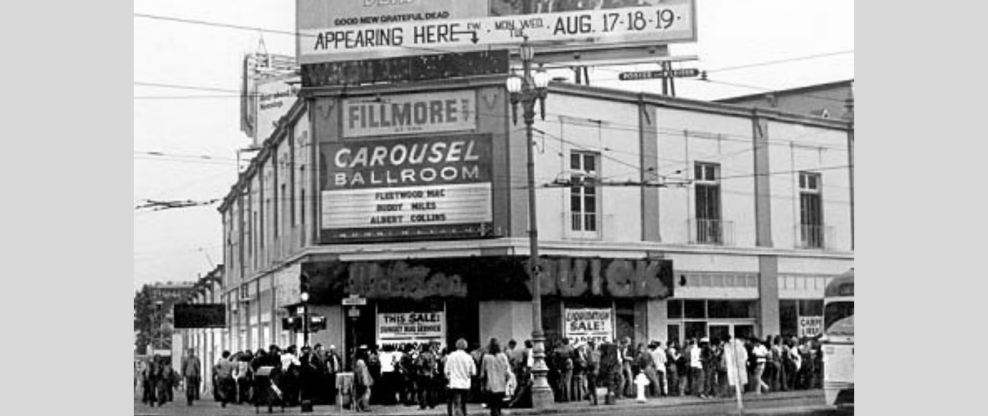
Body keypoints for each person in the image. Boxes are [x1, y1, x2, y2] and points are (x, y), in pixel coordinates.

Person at [480, 338, 512, 416]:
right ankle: (498, 412)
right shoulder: (503, 356)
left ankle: (494, 412)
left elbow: (483, 371)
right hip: (501, 382)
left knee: (492, 402)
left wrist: (482, 381)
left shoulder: (486, 357)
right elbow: (507, 369)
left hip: (490, 383)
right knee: (499, 401)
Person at [445, 338, 477, 416]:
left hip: (454, 383)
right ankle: (463, 413)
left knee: (457, 402)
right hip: (465, 383)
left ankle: (459, 413)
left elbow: (446, 371)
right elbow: (473, 372)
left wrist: (449, 378)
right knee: (463, 402)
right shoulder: (468, 357)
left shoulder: (451, 356)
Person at [416, 342, 440, 409]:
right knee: (430, 390)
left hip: (421, 375)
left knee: (421, 391)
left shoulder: (421, 355)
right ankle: (431, 404)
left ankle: (422, 405)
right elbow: (433, 365)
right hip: (430, 375)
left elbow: (419, 365)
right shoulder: (432, 355)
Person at [354, 347, 374, 412]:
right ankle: (362, 405)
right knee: (367, 392)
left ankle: (361, 405)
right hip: (363, 380)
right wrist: (365, 381)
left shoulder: (359, 361)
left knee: (364, 392)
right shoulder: (361, 362)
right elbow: (362, 373)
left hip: (363, 379)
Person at [585, 341, 600, 405]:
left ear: (591, 347)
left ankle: (594, 400)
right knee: (592, 385)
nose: (587, 347)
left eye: (588, 346)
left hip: (592, 370)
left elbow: (591, 362)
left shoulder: (591, 353)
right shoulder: (598, 352)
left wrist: (587, 367)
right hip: (596, 370)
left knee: (592, 385)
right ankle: (592, 399)